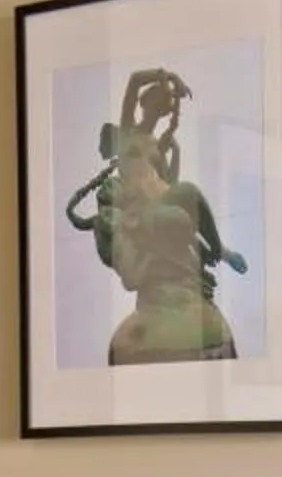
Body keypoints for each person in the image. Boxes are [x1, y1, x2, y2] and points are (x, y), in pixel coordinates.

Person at [62, 67, 249, 363]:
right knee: (182, 212)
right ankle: (218, 250)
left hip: (164, 202)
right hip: (142, 211)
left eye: (166, 105)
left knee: (188, 196)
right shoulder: (128, 132)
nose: (163, 108)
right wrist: (168, 77)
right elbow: (134, 81)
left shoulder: (156, 143)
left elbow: (168, 183)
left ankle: (219, 250)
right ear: (146, 103)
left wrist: (176, 153)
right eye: (161, 102)